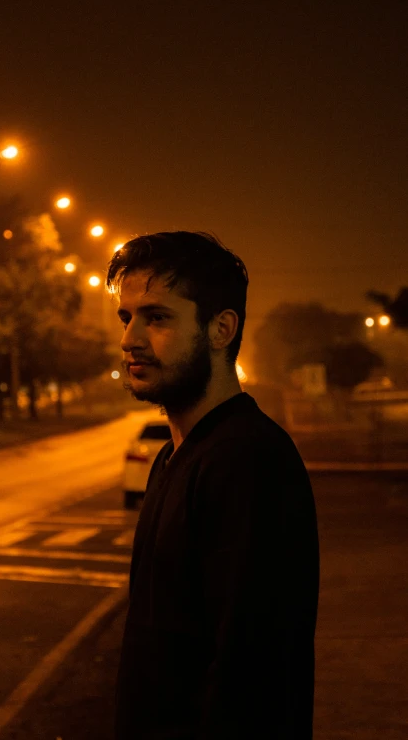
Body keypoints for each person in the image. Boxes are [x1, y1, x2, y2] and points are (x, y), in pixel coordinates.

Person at [107, 231, 319, 739]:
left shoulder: (247, 461)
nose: (130, 339)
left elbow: (256, 681)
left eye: (157, 317)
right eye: (126, 317)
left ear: (221, 329)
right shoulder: (174, 457)